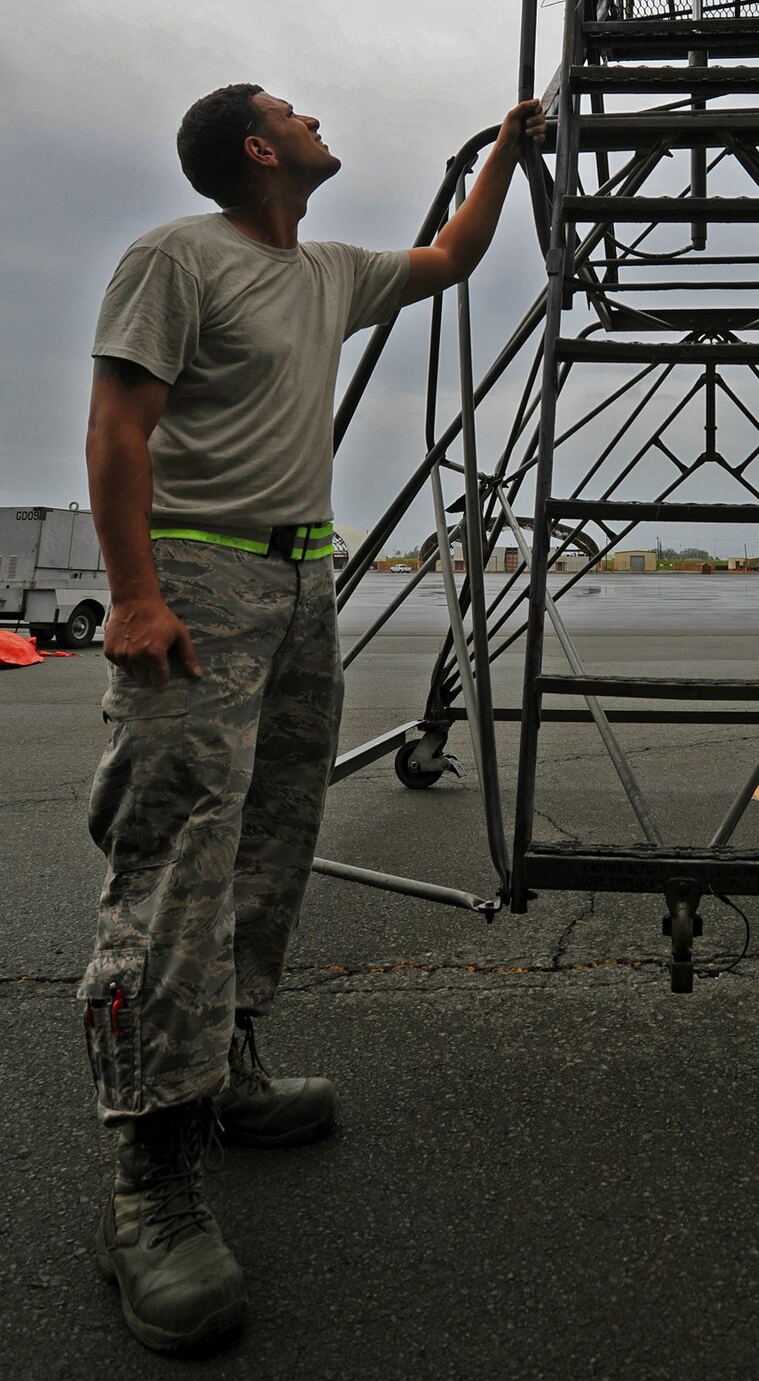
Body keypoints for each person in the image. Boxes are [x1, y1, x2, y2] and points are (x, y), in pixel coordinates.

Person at [81, 82, 545, 1354]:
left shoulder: (329, 267)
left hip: (303, 577)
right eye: (293, 109)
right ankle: (151, 1184)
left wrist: (508, 149)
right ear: (256, 147)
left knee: (269, 839)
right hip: (200, 571)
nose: (315, 116)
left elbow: (451, 255)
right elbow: (120, 421)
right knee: (173, 859)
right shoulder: (174, 257)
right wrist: (131, 594)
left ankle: (227, 1060)